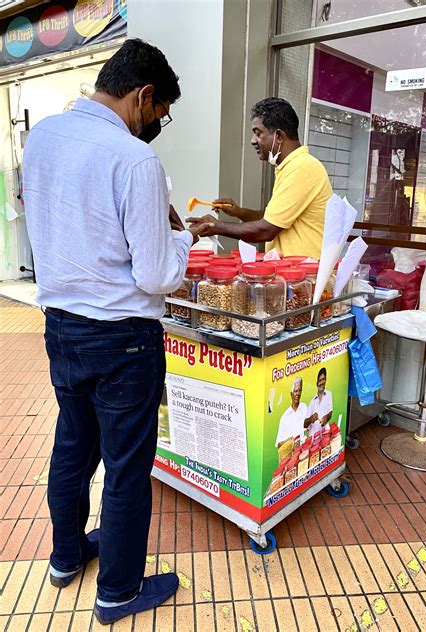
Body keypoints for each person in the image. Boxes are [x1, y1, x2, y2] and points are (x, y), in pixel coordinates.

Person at [22, 39, 212, 626]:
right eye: (160, 114)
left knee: (73, 449)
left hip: (60, 328)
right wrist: (186, 236)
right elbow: (156, 274)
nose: (158, 126)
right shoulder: (135, 160)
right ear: (143, 96)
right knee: (127, 468)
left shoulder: (42, 139)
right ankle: (118, 593)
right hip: (124, 341)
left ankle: (64, 557)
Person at [187, 97, 332, 258]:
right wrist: (239, 212)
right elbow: (272, 217)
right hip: (291, 271)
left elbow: (266, 230)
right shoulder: (292, 166)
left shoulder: (302, 167)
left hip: (305, 275)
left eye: (258, 133)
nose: (253, 141)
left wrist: (214, 226)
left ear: (278, 136)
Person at [275, 377, 307, 449]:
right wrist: (290, 441)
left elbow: (308, 429)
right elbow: (279, 444)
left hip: (304, 451)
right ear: (291, 394)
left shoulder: (304, 407)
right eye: (295, 391)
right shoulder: (285, 417)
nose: (298, 394)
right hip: (291, 455)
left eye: (300, 390)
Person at [304, 367, 333, 438]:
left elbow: (330, 412)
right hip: (314, 439)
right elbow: (305, 424)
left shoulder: (329, 394)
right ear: (317, 384)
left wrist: (326, 417)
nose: (322, 382)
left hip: (325, 434)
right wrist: (311, 419)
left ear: (326, 380)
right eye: (320, 380)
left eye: (323, 379)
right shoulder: (312, 402)